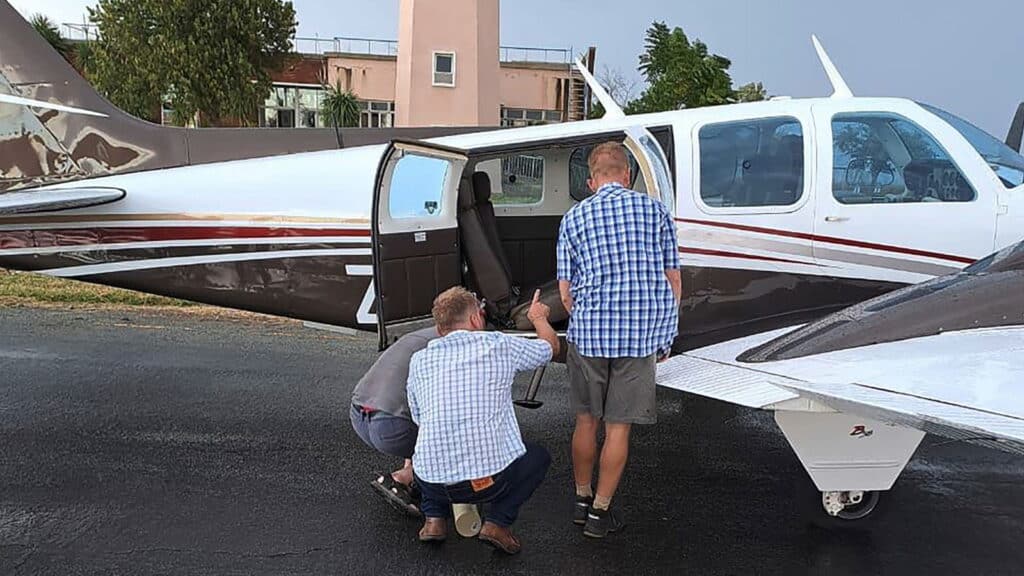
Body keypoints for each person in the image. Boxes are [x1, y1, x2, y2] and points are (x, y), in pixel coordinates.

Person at [556, 142, 682, 539]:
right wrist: (664, 336)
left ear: (592, 181)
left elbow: (565, 291)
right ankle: (599, 514)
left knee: (585, 420)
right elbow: (673, 281)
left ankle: (580, 498)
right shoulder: (656, 211)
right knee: (618, 429)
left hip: (590, 336)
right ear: (628, 176)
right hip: (639, 337)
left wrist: (588, 319)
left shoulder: (574, 217)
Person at [407, 287, 558, 555]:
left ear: (439, 327)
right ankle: (498, 523)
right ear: (477, 318)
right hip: (487, 482)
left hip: (430, 482)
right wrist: (539, 319)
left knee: (430, 444)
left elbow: (419, 417)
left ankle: (433, 519)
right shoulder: (498, 345)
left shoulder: (419, 360)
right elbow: (550, 347)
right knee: (538, 458)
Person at [350, 325, 440, 516]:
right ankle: (403, 478)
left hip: (359, 414)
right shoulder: (451, 346)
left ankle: (413, 476)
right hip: (391, 427)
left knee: (414, 409)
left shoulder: (418, 335)